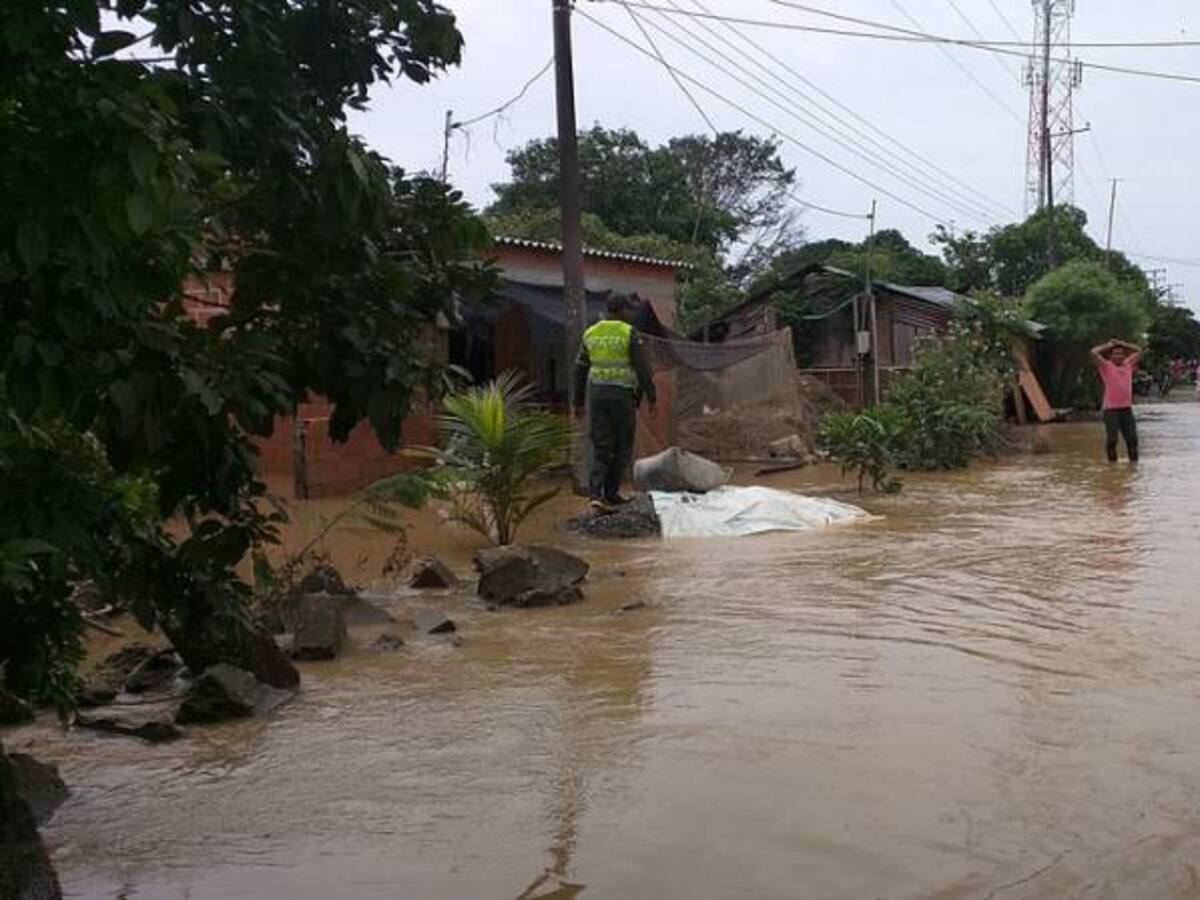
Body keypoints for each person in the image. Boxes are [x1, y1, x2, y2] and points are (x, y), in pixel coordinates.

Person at [574, 293, 657, 512]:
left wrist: (578, 402)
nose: (630, 314)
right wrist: (652, 398)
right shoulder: (628, 333)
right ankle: (610, 493)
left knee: (601, 446)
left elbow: (580, 370)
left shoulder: (590, 333)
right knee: (622, 446)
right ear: (621, 311)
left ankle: (595, 495)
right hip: (621, 396)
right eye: (628, 310)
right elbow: (643, 369)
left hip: (597, 395)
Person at [1091, 338, 1141, 463]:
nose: (1118, 356)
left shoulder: (1128, 364)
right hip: (1111, 409)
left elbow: (1139, 350)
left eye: (1121, 354)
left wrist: (1124, 343)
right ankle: (1112, 466)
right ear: (1111, 356)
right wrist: (1108, 345)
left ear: (1125, 355)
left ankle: (1133, 465)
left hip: (1126, 408)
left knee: (1132, 440)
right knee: (1112, 439)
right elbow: (1094, 352)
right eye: (1115, 354)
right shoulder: (1106, 366)